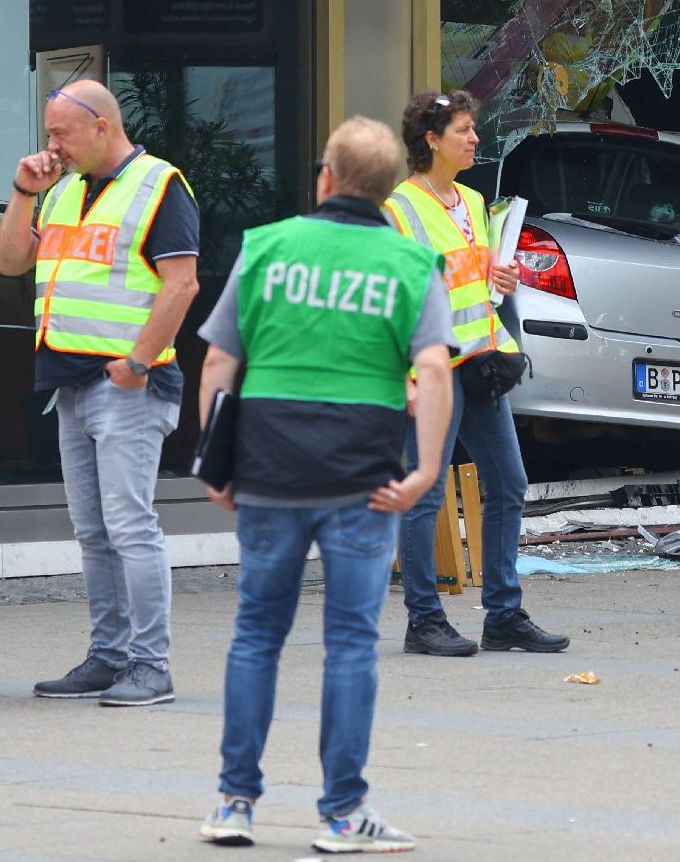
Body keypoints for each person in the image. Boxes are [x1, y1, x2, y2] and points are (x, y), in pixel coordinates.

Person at [195, 115, 454, 854]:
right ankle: (341, 815)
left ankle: (233, 802)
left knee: (255, 634)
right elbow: (433, 370)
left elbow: (218, 362)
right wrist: (425, 470)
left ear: (326, 179)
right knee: (350, 643)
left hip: (269, 471)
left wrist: (219, 462)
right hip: (361, 478)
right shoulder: (412, 262)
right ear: (389, 188)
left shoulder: (267, 246)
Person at [0, 79, 199, 707]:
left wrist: (137, 363)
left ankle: (150, 666)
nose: (51, 144)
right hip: (72, 382)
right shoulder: (61, 190)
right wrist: (24, 193)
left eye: (61, 132)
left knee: (130, 526)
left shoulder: (160, 184)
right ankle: (109, 657)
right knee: (93, 529)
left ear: (102, 127)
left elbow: (181, 284)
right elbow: (8, 263)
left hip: (127, 384)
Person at [386, 90, 569, 656]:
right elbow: (394, 298)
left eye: (473, 129)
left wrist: (501, 275)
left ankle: (504, 615)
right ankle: (424, 620)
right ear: (432, 140)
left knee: (509, 484)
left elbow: (472, 282)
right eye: (464, 130)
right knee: (425, 492)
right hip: (435, 367)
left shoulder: (470, 199)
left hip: (483, 362)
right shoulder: (398, 209)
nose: (475, 139)